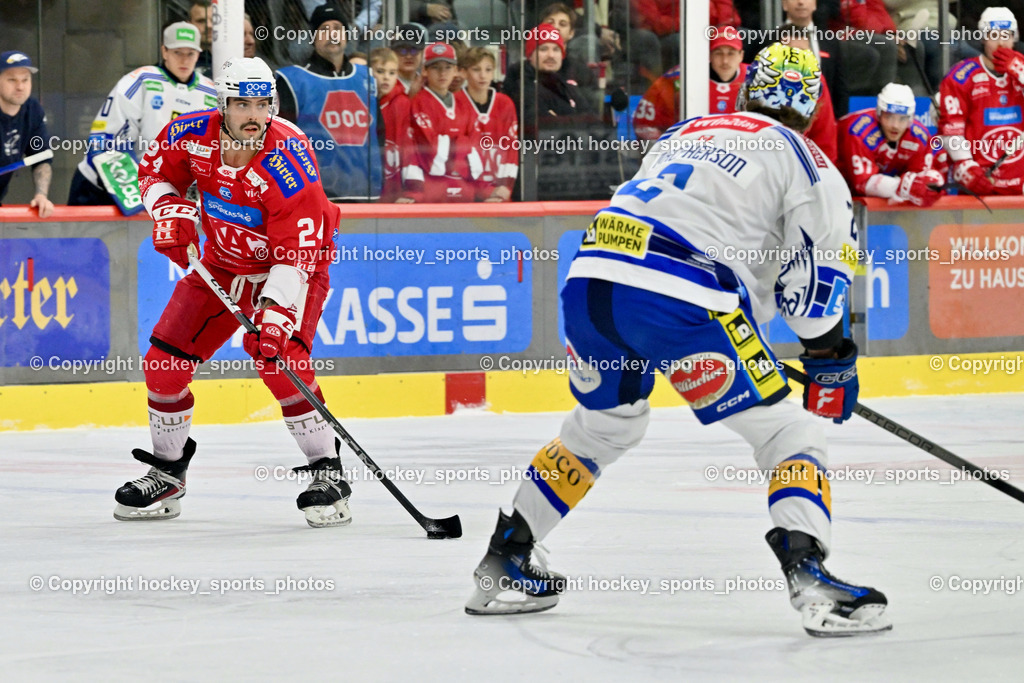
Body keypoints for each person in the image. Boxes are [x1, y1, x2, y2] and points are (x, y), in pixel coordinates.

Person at [465, 43, 892, 638]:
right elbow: (815, 286)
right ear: (813, 102)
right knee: (789, 432)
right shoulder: (806, 158)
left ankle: (504, 562)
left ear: (746, 89)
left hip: (592, 279)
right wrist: (831, 359)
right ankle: (813, 578)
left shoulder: (686, 131)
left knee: (603, 429)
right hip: (681, 293)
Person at [113, 57, 350, 529]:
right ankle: (168, 471)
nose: (253, 114)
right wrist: (171, 213)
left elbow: (297, 252)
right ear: (223, 103)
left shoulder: (290, 162)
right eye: (242, 102)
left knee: (279, 360)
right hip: (220, 266)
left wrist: (276, 316)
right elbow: (155, 172)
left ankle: (328, 471)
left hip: (290, 271)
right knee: (164, 363)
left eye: (263, 103)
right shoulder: (190, 134)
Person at [67, 22, 215, 212]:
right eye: (178, 52)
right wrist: (144, 195)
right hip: (100, 190)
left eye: (191, 53)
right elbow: (105, 143)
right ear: (164, 51)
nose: (184, 60)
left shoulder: (210, 94)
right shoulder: (139, 81)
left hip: (161, 196)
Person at [276, 3, 383, 201]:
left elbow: (380, 135)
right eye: (324, 29)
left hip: (366, 193)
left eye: (337, 28)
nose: (332, 34)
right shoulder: (292, 81)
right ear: (313, 38)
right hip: (314, 197)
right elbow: (281, 144)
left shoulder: (367, 78)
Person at [939, 7, 1024, 196]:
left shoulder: (1022, 70)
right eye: (994, 35)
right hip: (981, 186)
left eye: (1007, 35)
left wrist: (1021, 72)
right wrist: (966, 166)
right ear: (983, 38)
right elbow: (952, 130)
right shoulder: (961, 76)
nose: (1001, 43)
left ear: (1015, 37)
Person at [837, 82, 944, 205]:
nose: (895, 126)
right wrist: (902, 187)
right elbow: (863, 182)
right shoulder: (858, 131)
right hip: (835, 193)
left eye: (902, 119)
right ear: (879, 113)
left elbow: (919, 180)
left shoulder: (920, 136)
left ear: (911, 118)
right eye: (889, 117)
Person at [633, 25, 747, 140]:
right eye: (718, 53)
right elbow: (643, 124)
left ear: (741, 55)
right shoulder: (679, 79)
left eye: (731, 53)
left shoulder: (758, 80)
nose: (725, 61)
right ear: (709, 55)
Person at [404, 42, 479, 202]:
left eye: (448, 67)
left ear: (456, 71)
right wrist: (461, 143)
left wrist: (451, 142)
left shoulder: (464, 103)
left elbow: (475, 145)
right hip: (431, 189)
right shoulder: (419, 102)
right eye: (435, 67)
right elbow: (428, 148)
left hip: (464, 188)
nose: (442, 73)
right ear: (425, 70)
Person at [503, 24, 596, 135]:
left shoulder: (564, 84)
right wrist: (574, 118)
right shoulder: (520, 85)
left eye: (556, 49)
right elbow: (542, 127)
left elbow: (592, 120)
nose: (551, 55)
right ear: (530, 55)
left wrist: (560, 119)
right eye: (543, 49)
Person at [456, 47, 519, 202]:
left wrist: (505, 188)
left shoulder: (505, 104)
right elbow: (457, 156)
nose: (483, 75)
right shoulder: (455, 102)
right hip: (466, 193)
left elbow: (511, 149)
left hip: (500, 193)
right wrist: (484, 191)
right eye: (476, 69)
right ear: (464, 72)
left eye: (488, 69)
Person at [0, 51, 53, 216]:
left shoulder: (33, 110)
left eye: (25, 80)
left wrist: (41, 195)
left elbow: (41, 157)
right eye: (12, 80)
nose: (20, 86)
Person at [371, 47, 414, 202]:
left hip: (394, 188)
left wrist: (409, 191)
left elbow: (409, 149)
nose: (386, 78)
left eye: (392, 72)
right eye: (380, 71)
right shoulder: (362, 101)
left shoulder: (401, 103)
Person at [391, 23, 428, 99]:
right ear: (392, 53)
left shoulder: (429, 83)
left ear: (423, 52)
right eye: (402, 51)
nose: (408, 56)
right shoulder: (386, 83)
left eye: (414, 50)